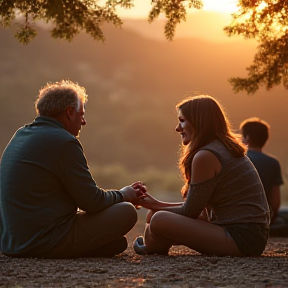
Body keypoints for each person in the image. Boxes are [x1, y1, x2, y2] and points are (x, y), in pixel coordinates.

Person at [0, 80, 145, 259]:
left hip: (12, 243)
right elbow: (92, 202)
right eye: (81, 114)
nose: (83, 121)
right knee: (126, 211)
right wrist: (124, 194)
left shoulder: (20, 134)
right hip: (44, 240)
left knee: (118, 243)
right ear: (69, 112)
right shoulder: (64, 141)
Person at [133, 95, 270, 257]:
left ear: (199, 122)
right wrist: (154, 205)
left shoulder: (207, 155)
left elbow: (190, 211)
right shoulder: (221, 148)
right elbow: (201, 211)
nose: (177, 128)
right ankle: (153, 244)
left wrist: (154, 205)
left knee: (158, 219)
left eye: (182, 120)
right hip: (246, 232)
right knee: (155, 215)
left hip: (243, 237)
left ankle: (151, 244)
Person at [240, 118, 284, 223]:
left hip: (240, 216)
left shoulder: (238, 159)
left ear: (247, 138)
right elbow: (275, 202)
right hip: (263, 217)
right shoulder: (273, 163)